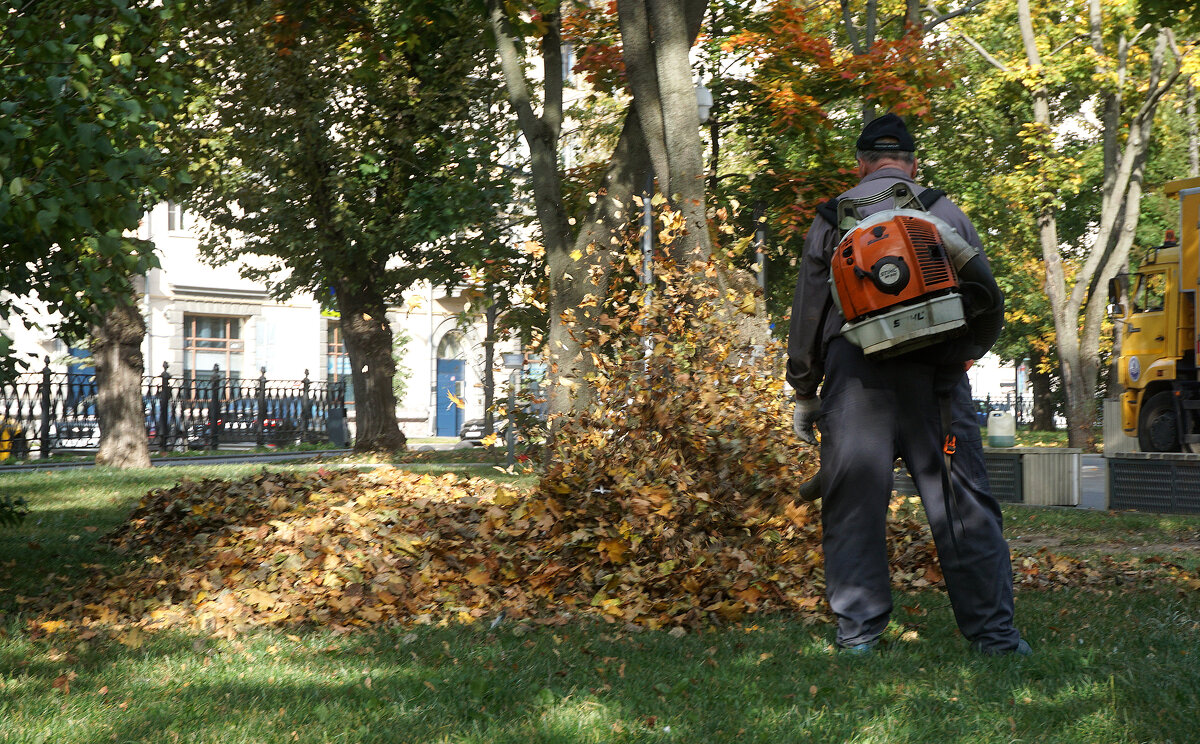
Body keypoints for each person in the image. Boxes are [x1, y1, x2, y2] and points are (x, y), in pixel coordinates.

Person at [786, 112, 1030, 656]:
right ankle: (995, 638)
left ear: (861, 165)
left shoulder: (832, 218)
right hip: (938, 383)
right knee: (961, 504)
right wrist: (962, 358)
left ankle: (859, 637)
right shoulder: (945, 212)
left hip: (855, 385)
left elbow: (808, 312)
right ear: (914, 165)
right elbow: (985, 299)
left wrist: (804, 389)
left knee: (854, 506)